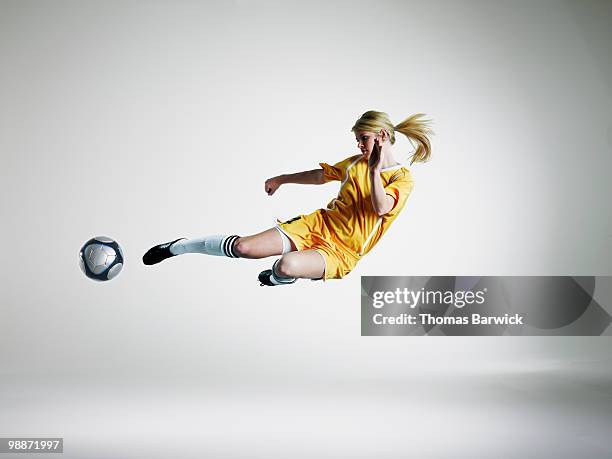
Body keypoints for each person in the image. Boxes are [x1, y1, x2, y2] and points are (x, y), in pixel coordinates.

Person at [142, 110, 433, 286]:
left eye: (364, 139)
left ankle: (281, 278)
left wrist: (373, 172)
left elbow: (381, 207)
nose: (359, 145)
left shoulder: (402, 178)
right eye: (357, 139)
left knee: (285, 265)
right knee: (244, 247)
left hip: (342, 252)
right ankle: (178, 247)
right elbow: (321, 176)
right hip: (317, 225)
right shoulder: (355, 162)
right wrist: (282, 179)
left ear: (381, 136)